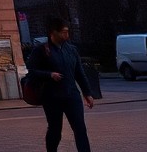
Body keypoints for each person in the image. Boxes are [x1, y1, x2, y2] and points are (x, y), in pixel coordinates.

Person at [26, 17, 95, 152]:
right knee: (55, 129)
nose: (66, 35)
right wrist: (49, 75)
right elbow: (31, 70)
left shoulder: (71, 50)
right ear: (53, 32)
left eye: (67, 32)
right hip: (52, 97)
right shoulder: (42, 50)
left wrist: (87, 93)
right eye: (63, 32)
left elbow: (79, 73)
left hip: (71, 95)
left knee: (80, 128)